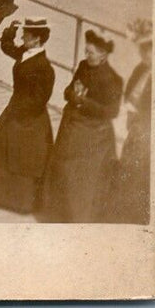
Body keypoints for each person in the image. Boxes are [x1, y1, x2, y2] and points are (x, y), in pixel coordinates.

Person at [0, 18, 55, 214]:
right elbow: (7, 47)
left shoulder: (44, 67)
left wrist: (21, 110)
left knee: (24, 157)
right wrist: (10, 30)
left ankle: (21, 201)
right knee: (6, 151)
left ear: (37, 39)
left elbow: (41, 98)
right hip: (16, 109)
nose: (22, 37)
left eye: (26, 35)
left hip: (30, 118)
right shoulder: (25, 53)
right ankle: (0, 194)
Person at [42, 29, 124, 222]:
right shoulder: (83, 66)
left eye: (91, 53)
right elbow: (71, 88)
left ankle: (75, 215)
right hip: (71, 125)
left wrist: (83, 102)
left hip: (91, 134)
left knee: (80, 176)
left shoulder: (112, 79)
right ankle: (56, 209)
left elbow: (111, 112)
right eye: (86, 52)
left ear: (103, 54)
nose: (87, 56)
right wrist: (70, 94)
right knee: (62, 166)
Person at [113, 18, 153, 224]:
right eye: (142, 50)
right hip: (135, 124)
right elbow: (130, 89)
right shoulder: (140, 68)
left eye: (148, 51)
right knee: (129, 165)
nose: (143, 55)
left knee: (140, 172)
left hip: (149, 131)